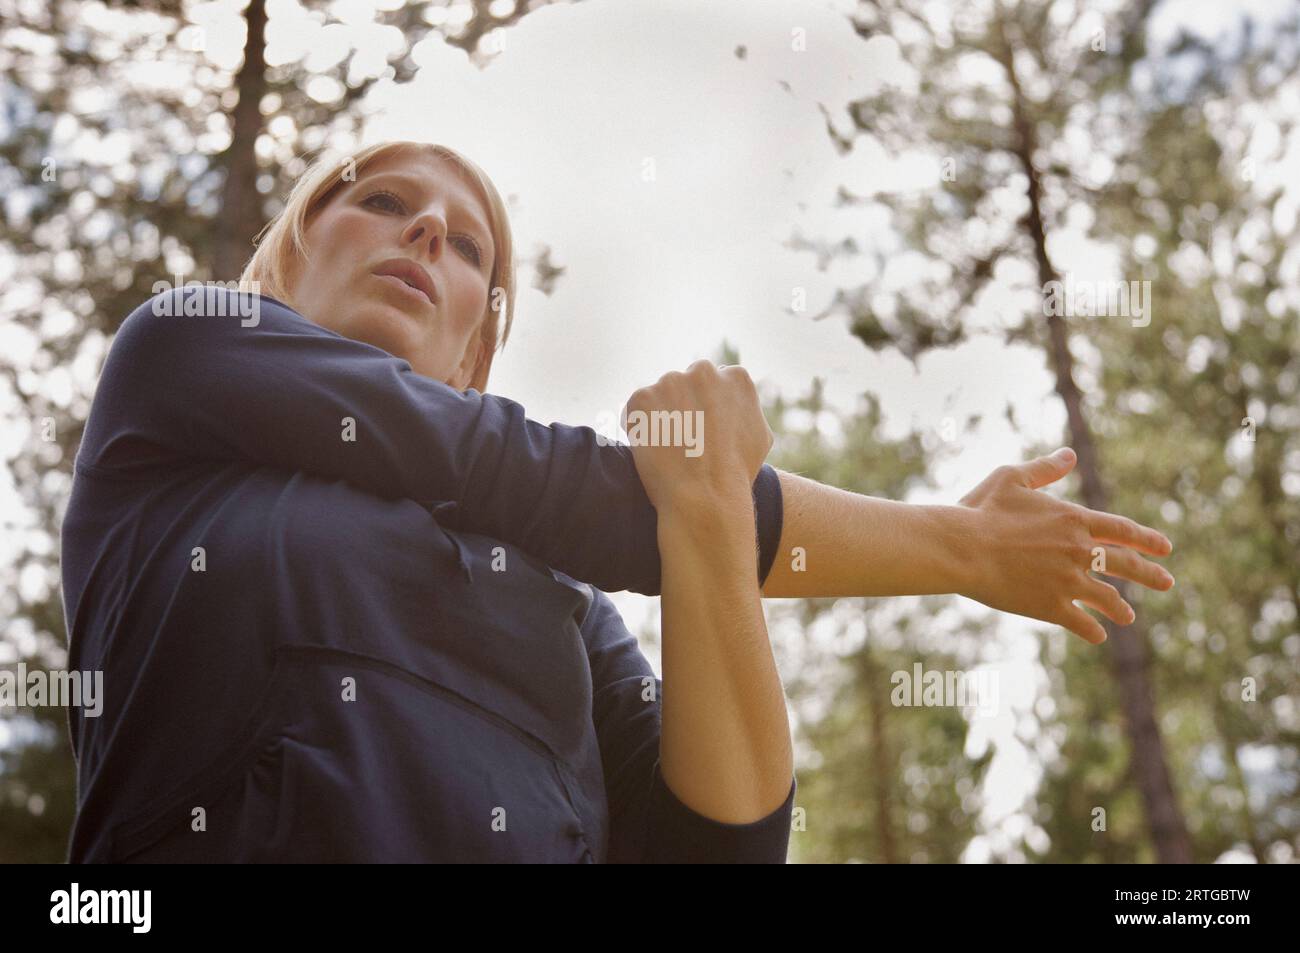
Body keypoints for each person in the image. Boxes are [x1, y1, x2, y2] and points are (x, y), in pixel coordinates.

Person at [60, 140, 1175, 863]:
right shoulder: (188, 352)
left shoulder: (562, 600)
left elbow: (719, 840)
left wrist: (709, 522)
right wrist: (959, 545)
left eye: (469, 245)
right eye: (383, 199)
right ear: (290, 259)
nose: (429, 230)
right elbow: (549, 478)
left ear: (475, 349)